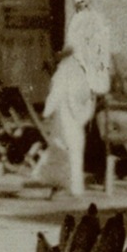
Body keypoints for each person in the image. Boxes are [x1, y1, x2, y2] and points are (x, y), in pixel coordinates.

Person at [34, 46, 95, 198]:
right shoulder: (83, 74)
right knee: (74, 149)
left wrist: (46, 112)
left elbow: (55, 95)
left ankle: (61, 184)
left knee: (61, 147)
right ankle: (73, 186)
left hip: (64, 117)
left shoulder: (63, 72)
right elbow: (89, 100)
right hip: (75, 119)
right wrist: (84, 116)